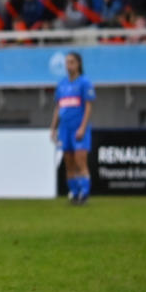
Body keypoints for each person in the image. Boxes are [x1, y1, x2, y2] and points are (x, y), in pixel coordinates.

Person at [52, 52, 95, 205]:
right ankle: (74, 193)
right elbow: (58, 107)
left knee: (80, 161)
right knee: (68, 162)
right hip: (64, 129)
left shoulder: (84, 83)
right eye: (66, 62)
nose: (68, 65)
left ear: (78, 64)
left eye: (71, 61)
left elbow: (89, 106)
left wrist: (83, 127)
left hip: (78, 128)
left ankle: (84, 193)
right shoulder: (62, 84)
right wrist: (53, 128)